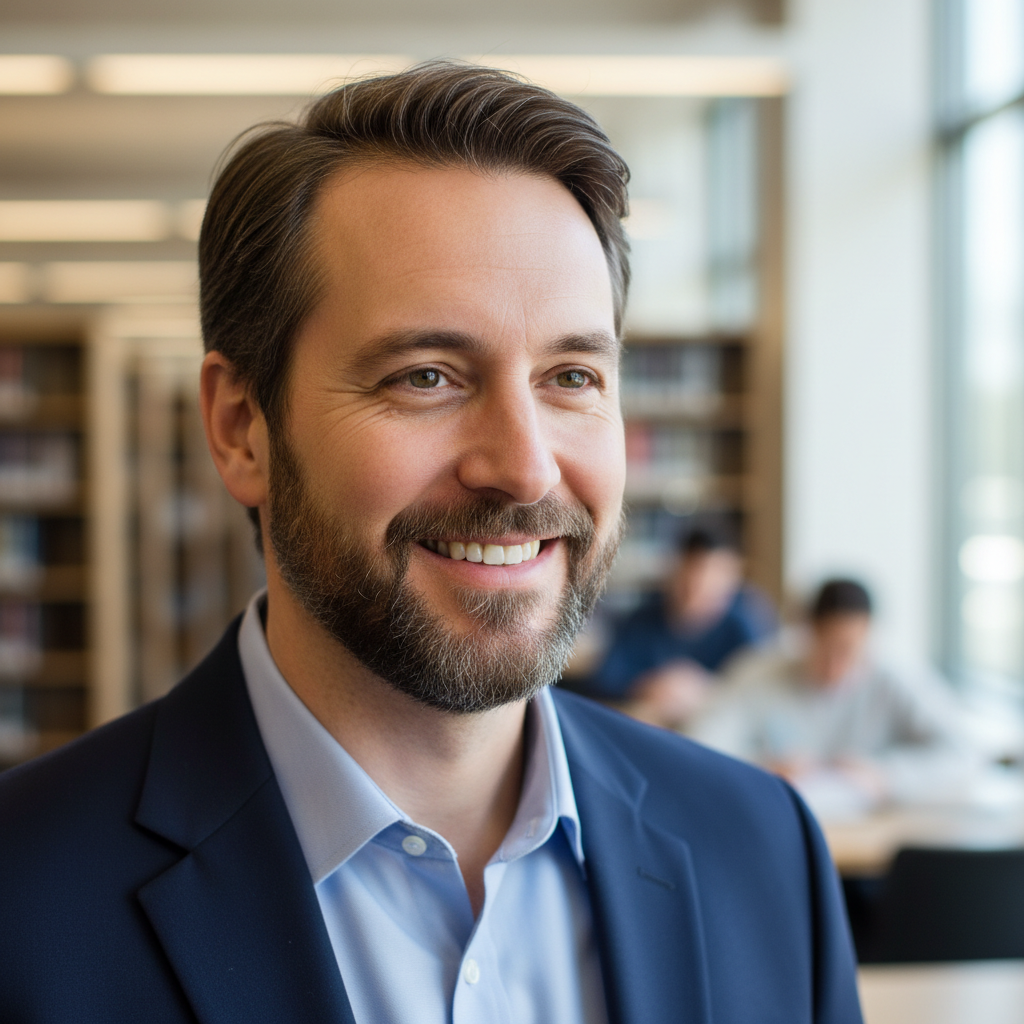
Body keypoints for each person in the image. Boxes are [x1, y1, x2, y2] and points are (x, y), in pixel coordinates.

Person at [0, 63, 861, 1023]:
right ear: (243, 427)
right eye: (427, 377)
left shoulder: (761, 849)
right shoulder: (23, 898)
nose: (526, 468)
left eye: (572, 376)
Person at [693, 578, 976, 815]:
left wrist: (885, 776)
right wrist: (761, 770)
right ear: (806, 631)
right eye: (825, 647)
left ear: (869, 637)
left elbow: (964, 754)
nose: (834, 664)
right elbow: (698, 747)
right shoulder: (757, 672)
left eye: (849, 650)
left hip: (868, 842)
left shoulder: (897, 679)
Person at [586, 526, 776, 728]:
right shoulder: (642, 620)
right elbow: (604, 681)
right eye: (692, 571)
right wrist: (649, 685)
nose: (699, 585)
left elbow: (765, 693)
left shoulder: (745, 625)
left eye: (713, 575)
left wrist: (706, 690)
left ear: (734, 578)